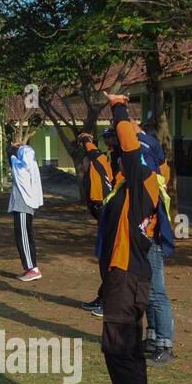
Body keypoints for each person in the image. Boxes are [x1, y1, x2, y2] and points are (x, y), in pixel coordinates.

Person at [93, 93, 167, 384]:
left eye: (120, 149)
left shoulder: (143, 182)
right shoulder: (129, 184)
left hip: (128, 279)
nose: (115, 151)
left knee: (120, 350)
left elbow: (127, 140)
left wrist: (119, 106)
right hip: (123, 278)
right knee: (126, 351)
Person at [136, 129, 176, 366]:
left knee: (156, 294)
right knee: (149, 292)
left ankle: (165, 344)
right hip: (147, 240)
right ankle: (152, 338)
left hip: (151, 241)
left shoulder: (149, 180)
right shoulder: (154, 174)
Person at [78, 129, 115, 313]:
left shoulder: (99, 163)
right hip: (104, 217)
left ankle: (109, 302)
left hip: (108, 215)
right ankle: (103, 297)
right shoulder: (96, 172)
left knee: (107, 260)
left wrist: (85, 139)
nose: (82, 170)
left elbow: (93, 152)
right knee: (104, 259)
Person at [8, 139, 43, 280]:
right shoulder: (29, 167)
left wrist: (12, 152)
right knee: (25, 236)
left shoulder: (23, 168)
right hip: (23, 204)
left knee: (23, 237)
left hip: (23, 204)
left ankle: (32, 269)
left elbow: (15, 163)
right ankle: (31, 267)